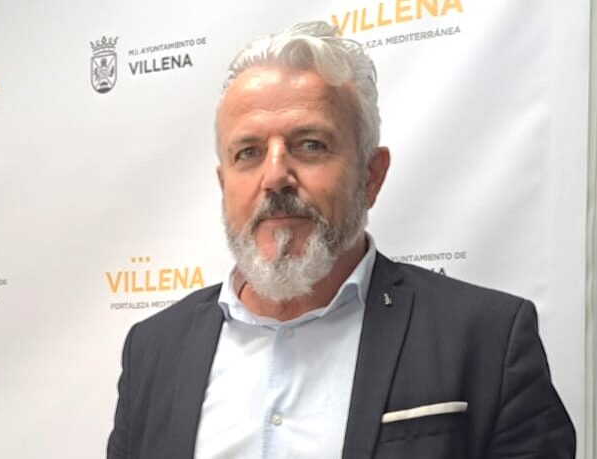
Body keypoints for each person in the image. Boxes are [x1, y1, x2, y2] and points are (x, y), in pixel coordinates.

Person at [106, 21, 575, 459]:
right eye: (248, 152)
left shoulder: (487, 338)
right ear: (224, 183)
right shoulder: (153, 349)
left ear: (371, 176)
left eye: (310, 145)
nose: (275, 176)